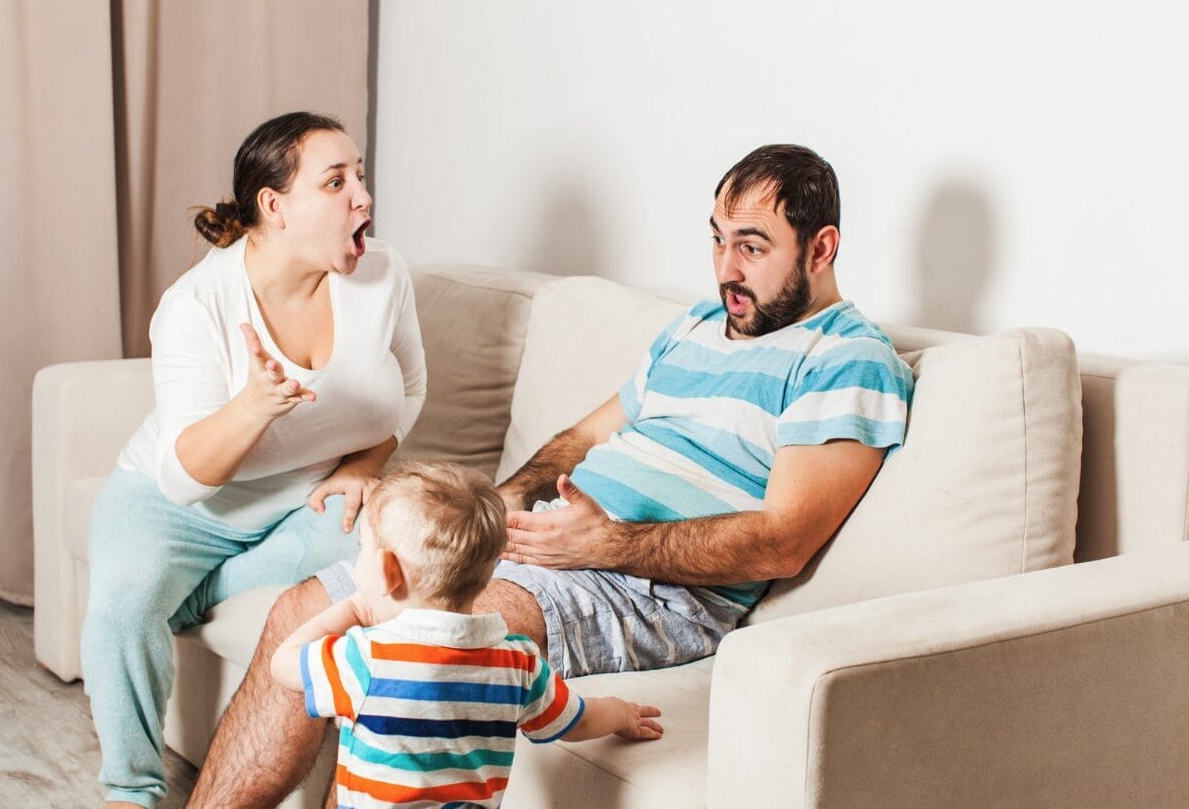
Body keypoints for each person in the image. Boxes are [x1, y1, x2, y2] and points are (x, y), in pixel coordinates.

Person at [188, 143, 914, 806]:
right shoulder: (695, 326)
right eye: (719, 239)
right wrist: (491, 514)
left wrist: (606, 545)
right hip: (555, 548)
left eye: (752, 248)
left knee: (413, 644)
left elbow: (782, 541)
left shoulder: (846, 359)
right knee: (296, 614)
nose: (726, 267)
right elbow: (580, 438)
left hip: (649, 591)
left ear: (821, 249)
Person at [80, 111, 427, 809]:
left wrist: (361, 467)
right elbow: (182, 479)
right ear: (275, 206)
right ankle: (130, 789)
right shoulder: (198, 305)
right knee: (120, 606)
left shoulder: (382, 274)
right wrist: (253, 405)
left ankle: (186, 596)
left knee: (368, 556)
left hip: (306, 498)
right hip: (176, 501)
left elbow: (410, 390)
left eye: (359, 175)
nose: (361, 195)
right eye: (336, 181)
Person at [270, 462, 663, 808]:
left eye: (362, 549)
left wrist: (352, 609)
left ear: (388, 571)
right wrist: (620, 713)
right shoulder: (518, 662)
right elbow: (576, 721)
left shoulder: (367, 659)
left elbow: (284, 664)